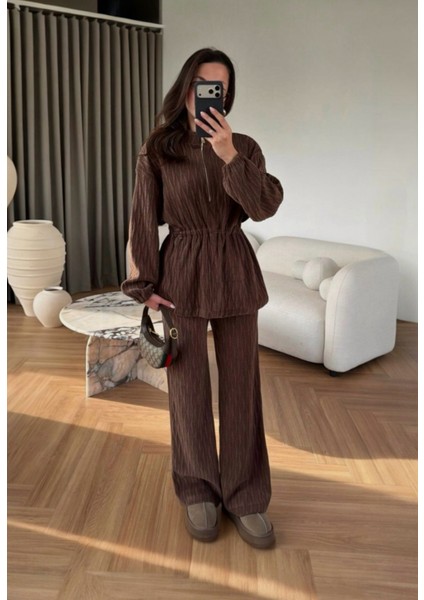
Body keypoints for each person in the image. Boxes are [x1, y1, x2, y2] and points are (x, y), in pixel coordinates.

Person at [122, 48, 283, 549]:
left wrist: (229, 154)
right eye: (201, 84)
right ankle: (197, 489)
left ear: (227, 96)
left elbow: (265, 206)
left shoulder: (245, 147)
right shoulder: (158, 149)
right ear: (186, 88)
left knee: (241, 389)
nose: (210, 94)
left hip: (235, 270)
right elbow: (142, 217)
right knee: (188, 389)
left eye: (220, 88)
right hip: (182, 275)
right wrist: (143, 284)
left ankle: (245, 495)